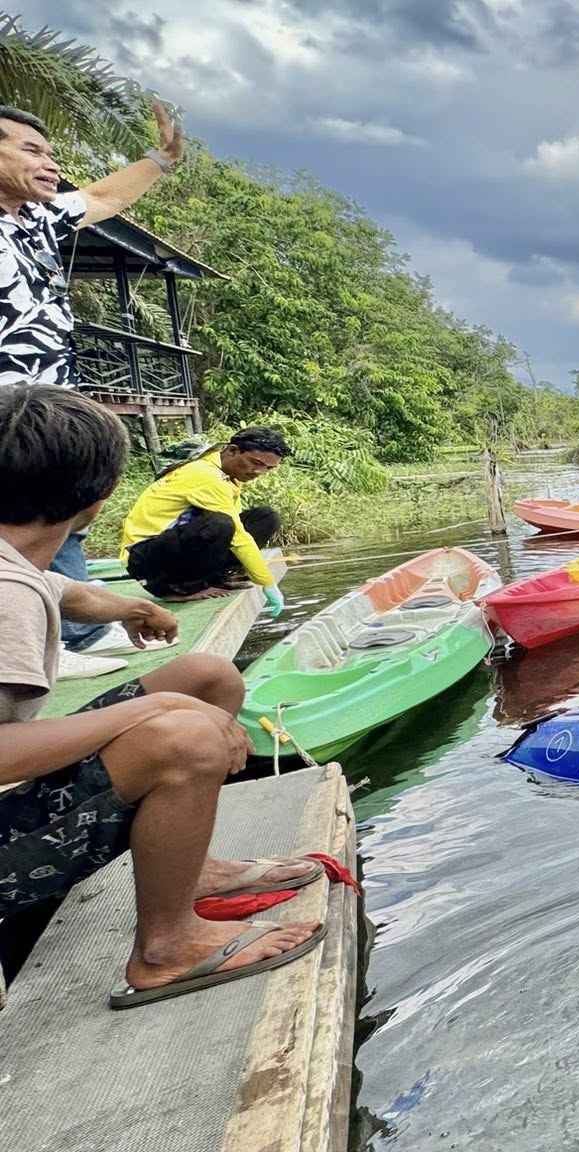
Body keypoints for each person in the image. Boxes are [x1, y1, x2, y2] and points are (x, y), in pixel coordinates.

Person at [0, 385, 322, 1008]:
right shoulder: (7, 595)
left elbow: (70, 593)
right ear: (98, 500)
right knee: (186, 732)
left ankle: (185, 869)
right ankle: (166, 950)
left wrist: (133, 607)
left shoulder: (17, 562)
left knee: (207, 677)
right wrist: (153, 708)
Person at [1, 100, 189, 648]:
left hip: (51, 397)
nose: (50, 164)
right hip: (4, 405)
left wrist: (162, 158)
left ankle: (74, 634)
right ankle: (44, 642)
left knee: (65, 505)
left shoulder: (36, 218)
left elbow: (105, 196)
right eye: (31, 150)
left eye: (52, 153)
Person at [119, 427, 291, 614]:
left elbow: (237, 526)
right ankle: (182, 587)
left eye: (268, 468)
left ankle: (215, 577)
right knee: (221, 524)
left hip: (172, 547)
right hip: (145, 559)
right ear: (233, 451)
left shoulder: (229, 476)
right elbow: (238, 537)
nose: (259, 472)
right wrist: (267, 582)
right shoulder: (206, 475)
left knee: (265, 518)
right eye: (255, 462)